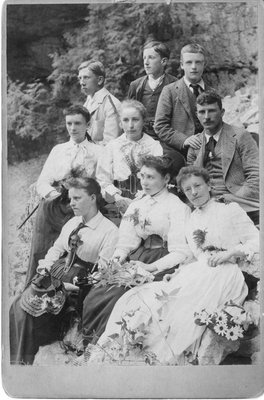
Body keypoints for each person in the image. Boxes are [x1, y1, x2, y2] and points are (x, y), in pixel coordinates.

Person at [90, 166, 259, 365]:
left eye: (198, 186)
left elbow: (256, 241)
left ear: (209, 185)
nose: (194, 192)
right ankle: (128, 352)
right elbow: (195, 257)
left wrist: (229, 253)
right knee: (141, 298)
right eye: (188, 189)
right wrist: (178, 272)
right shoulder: (193, 217)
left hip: (226, 273)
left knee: (181, 311)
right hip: (198, 271)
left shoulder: (229, 209)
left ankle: (165, 358)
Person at [81, 155, 193, 344]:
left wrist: (151, 267)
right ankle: (89, 346)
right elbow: (125, 244)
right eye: (142, 176)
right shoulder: (137, 204)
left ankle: (105, 347)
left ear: (166, 179)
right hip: (138, 257)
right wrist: (113, 263)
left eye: (151, 177)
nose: (144, 182)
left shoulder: (176, 207)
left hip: (163, 261)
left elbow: (180, 251)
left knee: (117, 296)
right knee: (99, 291)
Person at [10, 175, 118, 365]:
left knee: (30, 315)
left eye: (77, 198)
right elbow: (56, 249)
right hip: (55, 276)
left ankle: (23, 363)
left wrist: (75, 287)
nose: (72, 203)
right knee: (18, 306)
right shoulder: (72, 223)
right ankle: (18, 363)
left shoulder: (109, 231)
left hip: (77, 288)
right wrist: (44, 269)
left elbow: (102, 273)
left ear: (93, 198)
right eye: (70, 198)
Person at [25, 105, 101, 286]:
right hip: (55, 205)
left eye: (78, 123)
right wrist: (55, 195)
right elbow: (42, 181)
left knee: (74, 252)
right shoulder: (58, 150)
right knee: (42, 249)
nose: (73, 128)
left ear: (88, 125)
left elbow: (100, 183)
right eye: (69, 123)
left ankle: (69, 291)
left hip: (82, 206)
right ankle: (36, 288)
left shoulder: (98, 151)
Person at [187, 90, 259, 223]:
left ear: (222, 112)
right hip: (206, 203)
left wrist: (234, 199)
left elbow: (256, 176)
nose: (207, 117)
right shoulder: (195, 144)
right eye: (202, 112)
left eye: (212, 111)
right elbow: (191, 181)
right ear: (197, 115)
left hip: (239, 201)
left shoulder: (241, 136)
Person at [96, 100, 163, 216]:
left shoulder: (154, 146)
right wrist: (117, 198)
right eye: (126, 120)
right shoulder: (112, 146)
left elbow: (158, 179)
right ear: (120, 123)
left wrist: (138, 201)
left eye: (135, 120)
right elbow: (103, 179)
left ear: (143, 122)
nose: (131, 125)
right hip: (117, 202)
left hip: (147, 201)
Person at [154, 43, 212, 157]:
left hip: (207, 150)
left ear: (204, 64)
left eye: (198, 62)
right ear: (182, 65)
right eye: (189, 62)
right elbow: (160, 126)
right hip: (177, 151)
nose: (194, 67)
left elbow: (217, 125)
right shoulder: (170, 91)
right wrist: (184, 140)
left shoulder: (212, 93)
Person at [127, 41, 176, 140]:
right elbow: (129, 116)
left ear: (163, 61)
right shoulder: (136, 86)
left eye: (151, 57)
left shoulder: (175, 85)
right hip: (141, 137)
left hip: (166, 138)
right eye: (144, 58)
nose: (146, 62)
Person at [78, 60, 121, 145]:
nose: (82, 83)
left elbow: (111, 143)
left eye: (86, 77)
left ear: (100, 80)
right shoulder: (88, 102)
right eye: (80, 78)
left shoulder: (111, 104)